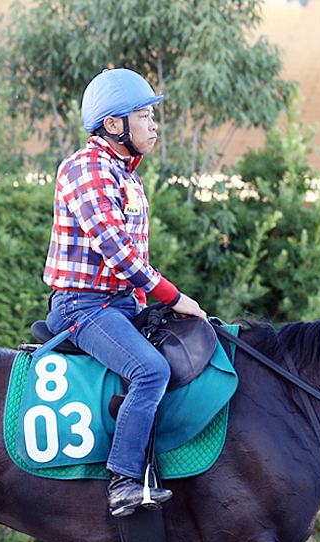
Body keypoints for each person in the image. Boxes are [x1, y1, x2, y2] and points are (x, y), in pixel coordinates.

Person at [42, 68, 208, 518]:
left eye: (154, 117)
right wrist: (173, 297)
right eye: (145, 116)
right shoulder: (86, 168)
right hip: (84, 306)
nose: (155, 125)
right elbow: (116, 248)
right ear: (114, 126)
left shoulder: (126, 175)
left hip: (121, 305)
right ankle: (124, 481)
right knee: (151, 371)